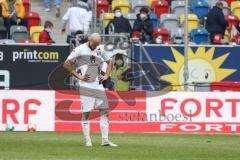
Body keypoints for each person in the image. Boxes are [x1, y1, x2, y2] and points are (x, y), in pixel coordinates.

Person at [63, 33, 118, 147]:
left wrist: (107, 75)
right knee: (87, 113)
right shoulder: (79, 50)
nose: (95, 46)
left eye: (97, 44)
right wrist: (79, 76)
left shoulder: (100, 48)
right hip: (86, 86)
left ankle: (105, 140)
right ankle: (88, 141)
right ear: (89, 40)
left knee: (105, 111)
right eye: (94, 44)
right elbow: (66, 64)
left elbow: (109, 62)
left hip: (98, 85)